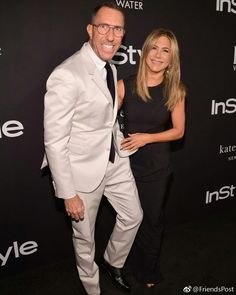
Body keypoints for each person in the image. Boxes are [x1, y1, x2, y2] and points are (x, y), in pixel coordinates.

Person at [41, 2, 143, 295]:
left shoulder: (110, 67)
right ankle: (92, 287)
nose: (111, 36)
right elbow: (55, 140)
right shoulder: (67, 74)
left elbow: (107, 118)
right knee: (85, 238)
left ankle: (113, 261)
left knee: (133, 215)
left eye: (118, 29)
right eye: (104, 27)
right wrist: (67, 191)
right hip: (81, 171)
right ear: (90, 29)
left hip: (114, 161)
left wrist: (120, 140)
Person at [118, 28, 186, 288]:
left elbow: (179, 131)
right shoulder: (125, 84)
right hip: (126, 166)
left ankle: (149, 270)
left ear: (171, 59)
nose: (158, 55)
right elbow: (104, 120)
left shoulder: (175, 90)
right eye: (154, 48)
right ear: (145, 51)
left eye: (165, 50)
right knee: (130, 219)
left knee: (152, 220)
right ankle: (129, 263)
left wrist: (147, 138)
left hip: (156, 167)